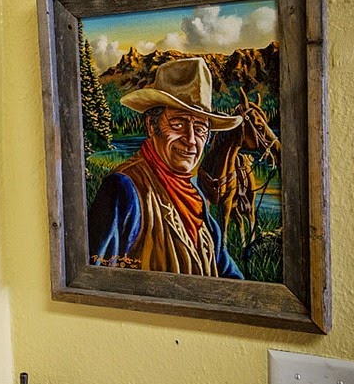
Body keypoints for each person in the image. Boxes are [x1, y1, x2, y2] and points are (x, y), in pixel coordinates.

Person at [88, 57, 244, 279]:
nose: (191, 140)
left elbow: (229, 275)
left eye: (200, 128)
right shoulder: (123, 189)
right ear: (151, 126)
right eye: (178, 124)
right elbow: (96, 278)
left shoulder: (195, 196)